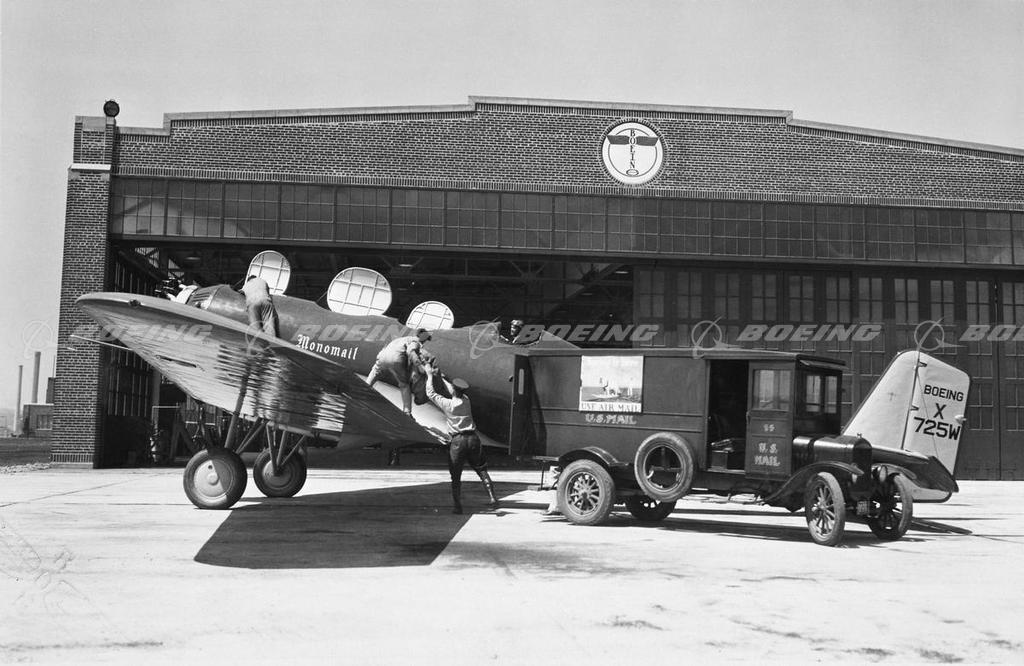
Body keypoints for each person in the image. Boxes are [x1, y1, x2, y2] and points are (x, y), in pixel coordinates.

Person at [423, 364, 499, 514]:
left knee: (456, 476)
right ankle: (492, 497)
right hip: (473, 439)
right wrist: (443, 379)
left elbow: (430, 393)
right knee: (481, 469)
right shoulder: (466, 400)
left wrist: (430, 375)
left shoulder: (448, 404)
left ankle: (457, 507)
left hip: (458, 442)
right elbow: (453, 390)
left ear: (454, 390)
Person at [365, 329, 432, 415]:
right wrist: (419, 366)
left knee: (375, 371)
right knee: (404, 385)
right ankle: (407, 412)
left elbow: (386, 347)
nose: (425, 342)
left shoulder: (401, 339)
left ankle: (363, 388)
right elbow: (411, 351)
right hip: (396, 359)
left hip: (383, 355)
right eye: (425, 339)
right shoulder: (415, 342)